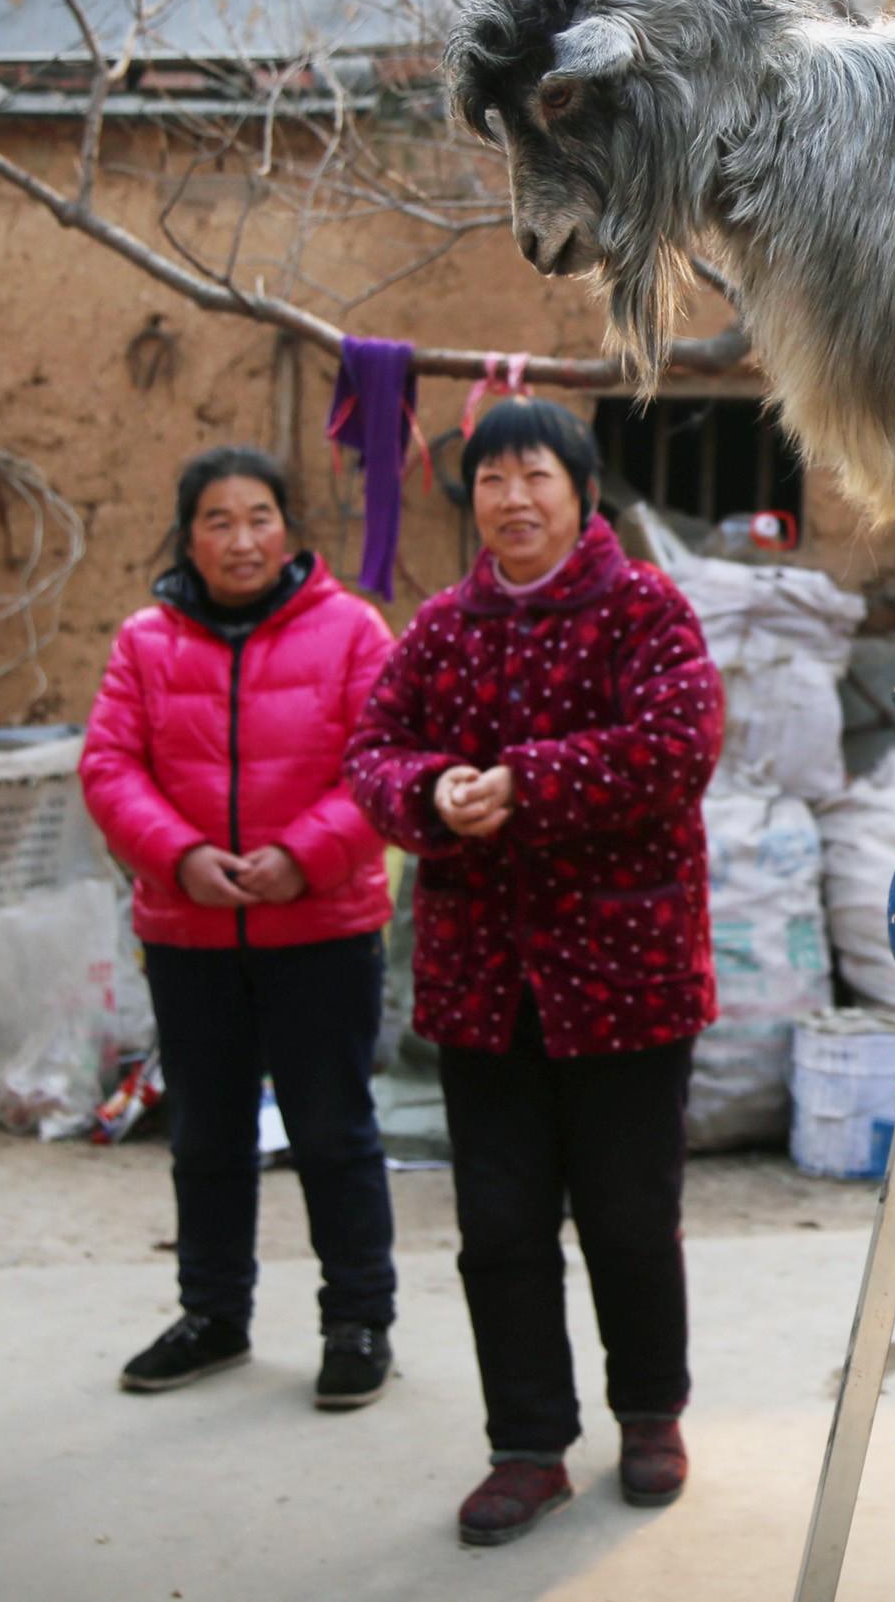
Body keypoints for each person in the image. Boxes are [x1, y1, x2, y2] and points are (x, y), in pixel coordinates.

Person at [345, 398, 724, 1547]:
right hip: (484, 980)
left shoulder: (643, 607)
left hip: (625, 972)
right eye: (491, 478)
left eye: (534, 475)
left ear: (582, 490)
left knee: (626, 1213)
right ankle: (526, 1444)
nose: (512, 497)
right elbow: (370, 752)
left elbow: (677, 743)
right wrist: (429, 794)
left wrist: (522, 779)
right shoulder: (445, 627)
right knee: (498, 1223)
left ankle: (649, 1412)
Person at [80, 446, 401, 1410]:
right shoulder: (147, 641)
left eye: (258, 516)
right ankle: (214, 1314)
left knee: (332, 1133)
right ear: (189, 539)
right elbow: (108, 767)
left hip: (324, 929)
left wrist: (302, 854)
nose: (241, 538)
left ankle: (357, 1321)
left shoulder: (351, 630)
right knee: (206, 1138)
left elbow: (383, 765)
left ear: (289, 530)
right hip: (191, 932)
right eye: (217, 521)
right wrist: (180, 857)